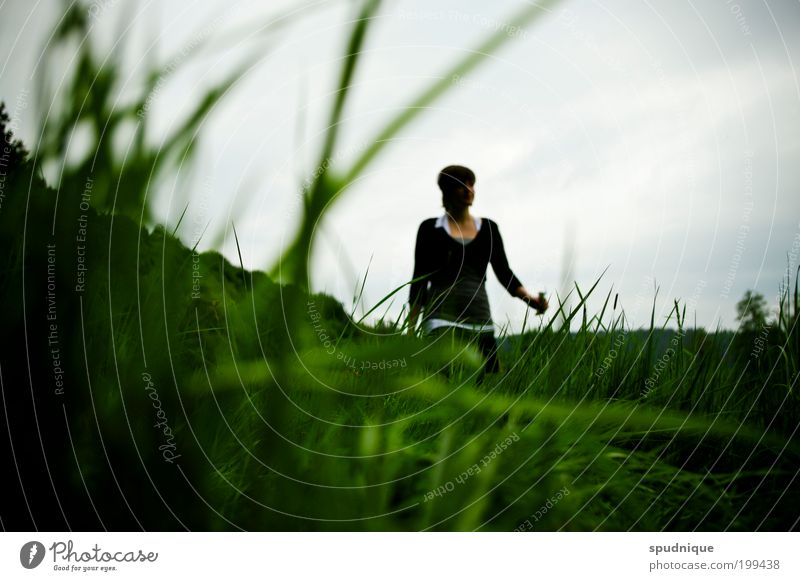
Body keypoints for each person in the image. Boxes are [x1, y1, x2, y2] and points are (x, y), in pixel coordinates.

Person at [407, 165, 548, 376]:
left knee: (486, 387)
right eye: (461, 185)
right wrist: (411, 329)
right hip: (440, 320)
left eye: (471, 184)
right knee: (442, 385)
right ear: (447, 191)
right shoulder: (429, 229)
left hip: (479, 320)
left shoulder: (489, 229)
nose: (468, 189)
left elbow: (504, 273)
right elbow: (419, 280)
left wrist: (531, 300)